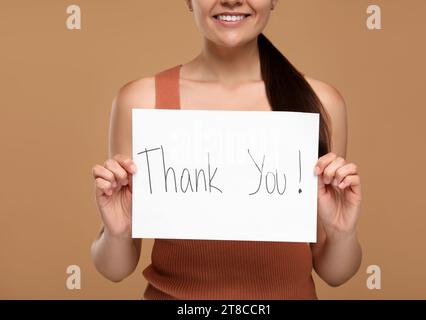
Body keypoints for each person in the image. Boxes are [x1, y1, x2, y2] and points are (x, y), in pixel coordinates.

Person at [91, 0, 362, 299]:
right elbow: (114, 270)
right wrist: (116, 232)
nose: (232, 0)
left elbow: (336, 274)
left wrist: (342, 233)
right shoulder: (141, 100)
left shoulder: (321, 103)